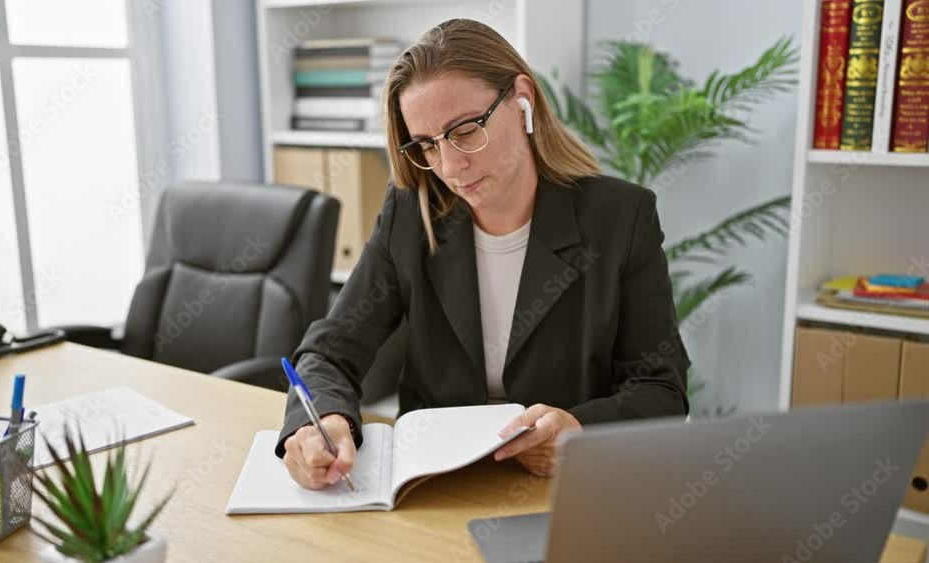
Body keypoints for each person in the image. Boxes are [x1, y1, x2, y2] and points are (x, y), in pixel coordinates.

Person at [277, 18, 690, 490]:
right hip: (441, 487)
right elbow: (331, 351)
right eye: (427, 145)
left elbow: (661, 389)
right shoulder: (410, 213)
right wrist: (323, 420)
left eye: (466, 130)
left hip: (562, 488)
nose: (451, 166)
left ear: (522, 99)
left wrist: (579, 430)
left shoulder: (620, 218)